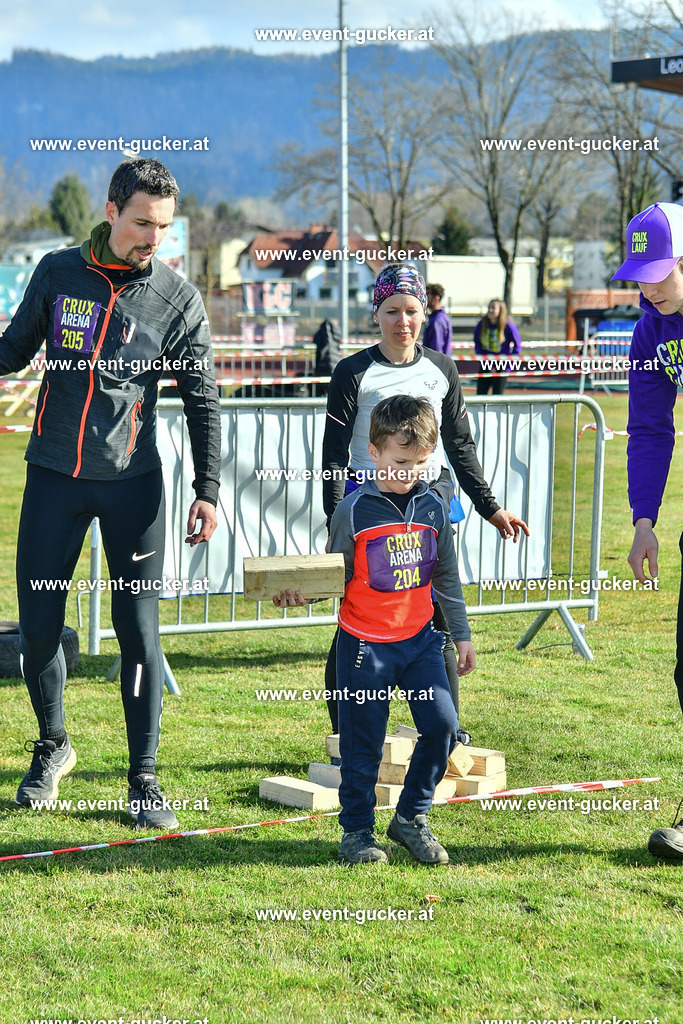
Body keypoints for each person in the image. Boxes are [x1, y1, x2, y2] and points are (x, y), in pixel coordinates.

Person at [0, 158, 221, 829]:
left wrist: (206, 489)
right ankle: (52, 745)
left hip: (134, 488)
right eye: (141, 223)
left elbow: (203, 402)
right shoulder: (58, 273)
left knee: (137, 633)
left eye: (163, 226)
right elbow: (12, 349)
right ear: (110, 211)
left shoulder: (179, 299)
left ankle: (143, 778)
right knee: (38, 628)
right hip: (53, 480)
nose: (153, 237)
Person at [321, 263, 528, 739]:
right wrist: (336, 522)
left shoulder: (442, 368)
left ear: (425, 311)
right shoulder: (352, 371)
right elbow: (333, 458)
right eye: (392, 310)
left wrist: (490, 507)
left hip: (430, 503)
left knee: (433, 615)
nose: (403, 321)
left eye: (412, 310)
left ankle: (447, 729)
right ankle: (345, 731)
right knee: (357, 616)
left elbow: (460, 446)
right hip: (369, 506)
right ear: (376, 313)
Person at [332, 395, 474, 864]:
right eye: (398, 461)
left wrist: (463, 634)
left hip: (420, 643)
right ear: (373, 453)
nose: (407, 471)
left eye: (418, 463)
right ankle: (356, 833)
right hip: (364, 647)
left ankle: (411, 818)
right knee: (363, 745)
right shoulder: (353, 511)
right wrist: (297, 592)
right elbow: (332, 574)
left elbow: (446, 576)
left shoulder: (434, 507)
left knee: (444, 727)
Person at [613, 201, 683, 860]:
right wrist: (643, 520)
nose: (649, 288)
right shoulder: (647, 333)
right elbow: (649, 426)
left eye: (659, 273)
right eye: (639, 276)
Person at [474, 298, 522, 395]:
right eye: (489, 307)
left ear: (500, 310)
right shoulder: (481, 325)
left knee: (498, 396)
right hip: (486, 364)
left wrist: (508, 366)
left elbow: (517, 346)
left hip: (502, 365)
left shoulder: (508, 326)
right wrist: (486, 362)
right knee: (480, 395)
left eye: (493, 308)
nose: (490, 310)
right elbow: (477, 344)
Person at [422, 283, 452, 356]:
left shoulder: (437, 320)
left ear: (436, 298)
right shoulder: (440, 317)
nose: (426, 300)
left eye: (428, 297)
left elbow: (436, 347)